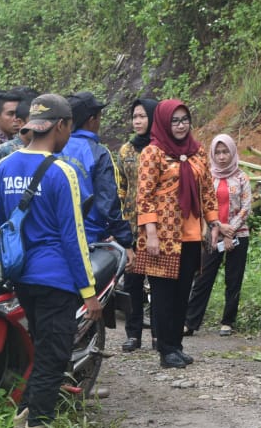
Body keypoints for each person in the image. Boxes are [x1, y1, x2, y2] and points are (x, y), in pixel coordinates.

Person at [0, 94, 101, 428]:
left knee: (43, 350)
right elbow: (74, 238)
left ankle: (24, 424)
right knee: (54, 356)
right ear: (62, 126)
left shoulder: (5, 166)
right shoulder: (63, 171)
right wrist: (89, 293)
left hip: (21, 278)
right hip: (56, 280)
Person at [133, 99, 219, 369]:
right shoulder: (153, 153)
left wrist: (214, 223)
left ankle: (177, 346)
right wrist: (151, 232)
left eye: (185, 120)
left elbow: (207, 190)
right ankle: (165, 349)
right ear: (163, 123)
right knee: (163, 295)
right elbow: (144, 197)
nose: (181, 126)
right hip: (162, 236)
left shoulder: (197, 152)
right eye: (175, 121)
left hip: (191, 234)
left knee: (183, 293)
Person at [184, 134, 252, 336]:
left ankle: (228, 322)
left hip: (238, 234)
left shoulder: (242, 177)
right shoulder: (207, 177)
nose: (222, 157)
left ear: (232, 152)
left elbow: (246, 207)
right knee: (203, 278)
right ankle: (190, 322)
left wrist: (230, 230)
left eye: (226, 152)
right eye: (218, 152)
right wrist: (220, 227)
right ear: (212, 154)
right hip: (211, 234)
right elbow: (202, 205)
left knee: (233, 279)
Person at [63, 92, 134, 250]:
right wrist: (125, 241)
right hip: (89, 239)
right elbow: (108, 202)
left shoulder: (52, 147)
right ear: (91, 120)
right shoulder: (98, 152)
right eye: (99, 118)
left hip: (55, 238)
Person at [117, 97, 158, 352]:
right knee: (132, 283)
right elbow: (121, 189)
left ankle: (158, 333)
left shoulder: (162, 148)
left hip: (158, 227)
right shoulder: (126, 151)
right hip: (132, 226)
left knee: (159, 283)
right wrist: (120, 226)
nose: (138, 121)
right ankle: (133, 334)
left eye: (143, 116)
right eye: (135, 117)